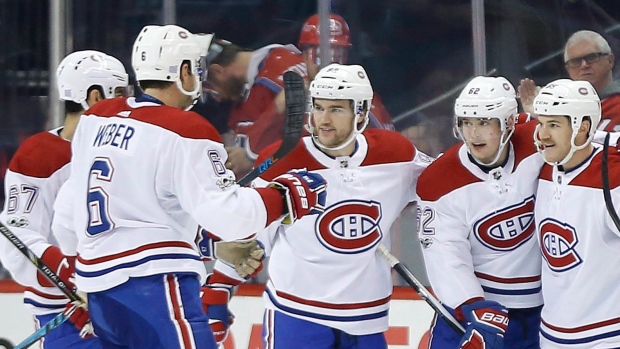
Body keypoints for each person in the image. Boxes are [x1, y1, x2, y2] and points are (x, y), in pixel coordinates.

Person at [51, 24, 326, 349]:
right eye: (197, 68)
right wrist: (284, 197)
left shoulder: (96, 119)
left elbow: (69, 218)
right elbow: (230, 216)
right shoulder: (187, 129)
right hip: (155, 285)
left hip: (98, 288)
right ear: (184, 71)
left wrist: (212, 247)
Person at [210, 63, 430, 348]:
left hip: (366, 317)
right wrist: (219, 287)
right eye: (318, 107)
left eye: (336, 109)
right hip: (296, 313)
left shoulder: (394, 154)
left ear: (361, 112)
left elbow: (444, 183)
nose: (323, 119)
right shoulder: (284, 161)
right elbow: (247, 236)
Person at [0, 50, 129, 348]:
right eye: (121, 93)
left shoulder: (132, 147)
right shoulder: (40, 156)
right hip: (65, 312)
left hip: (129, 303)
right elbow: (17, 242)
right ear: (96, 96)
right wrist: (77, 281)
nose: (129, 102)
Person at [416, 76, 544, 349]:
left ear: (508, 123)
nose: (473, 134)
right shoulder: (438, 180)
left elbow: (591, 148)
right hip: (473, 313)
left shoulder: (538, 145)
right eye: (467, 123)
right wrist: (473, 306)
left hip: (542, 310)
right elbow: (446, 256)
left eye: (484, 123)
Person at [533, 79, 620, 348]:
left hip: (607, 336)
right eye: (541, 123)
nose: (542, 135)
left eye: (554, 125)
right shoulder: (540, 166)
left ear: (583, 127)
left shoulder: (612, 177)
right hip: (551, 333)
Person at [204, 36, 308, 178]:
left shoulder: (277, 78)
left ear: (217, 71)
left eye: (211, 88)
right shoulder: (250, 86)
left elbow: (305, 144)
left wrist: (251, 155)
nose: (218, 98)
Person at [298, 13, 394, 131]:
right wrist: (278, 108)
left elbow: (385, 143)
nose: (327, 67)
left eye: (336, 56)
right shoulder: (286, 94)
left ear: (346, 57)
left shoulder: (364, 100)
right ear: (304, 56)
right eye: (318, 55)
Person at [520, 30, 620, 131]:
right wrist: (542, 116)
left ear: (610, 60)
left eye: (591, 57)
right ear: (568, 69)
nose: (584, 65)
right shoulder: (561, 111)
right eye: (575, 61)